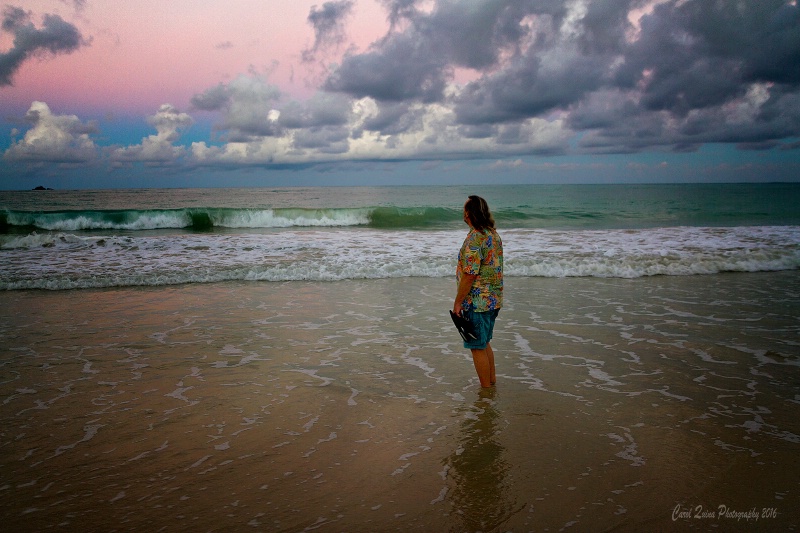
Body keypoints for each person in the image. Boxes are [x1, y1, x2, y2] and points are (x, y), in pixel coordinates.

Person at [453, 195, 503, 388]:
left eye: (464, 208)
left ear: (469, 213)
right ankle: (491, 383)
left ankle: (486, 392)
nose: (463, 212)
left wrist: (458, 302)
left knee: (477, 347)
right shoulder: (492, 234)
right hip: (493, 300)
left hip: (477, 302)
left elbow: (469, 275)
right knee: (485, 343)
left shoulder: (475, 238)